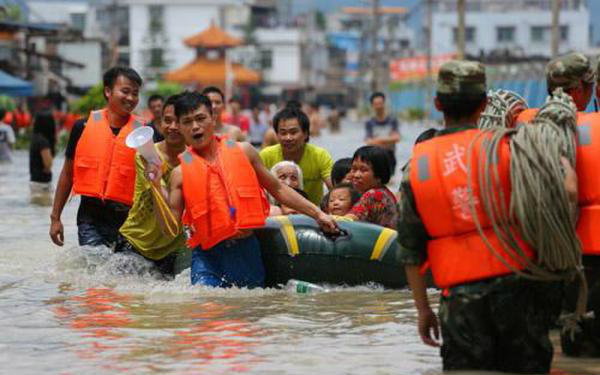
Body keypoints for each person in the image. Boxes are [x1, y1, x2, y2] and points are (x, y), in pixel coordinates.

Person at [397, 60, 571, 373]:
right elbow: (565, 194)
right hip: (521, 291)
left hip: (461, 306)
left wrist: (423, 310)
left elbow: (410, 251)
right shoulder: (514, 148)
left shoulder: (418, 169)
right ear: (484, 103)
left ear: (438, 104)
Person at [144, 92, 338, 288]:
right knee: (206, 310)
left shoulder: (244, 151)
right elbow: (170, 230)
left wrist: (318, 214)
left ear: (213, 117)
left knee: (246, 312)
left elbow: (278, 188)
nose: (195, 126)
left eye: (201, 118)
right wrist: (155, 187)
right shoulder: (179, 173)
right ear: (180, 127)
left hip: (247, 251)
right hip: (208, 258)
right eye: (187, 122)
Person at [49, 66, 144, 248]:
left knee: (126, 273)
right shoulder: (82, 127)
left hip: (130, 219)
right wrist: (55, 218)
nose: (131, 98)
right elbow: (67, 174)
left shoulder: (144, 133)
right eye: (125, 91)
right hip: (91, 217)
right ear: (108, 91)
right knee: (95, 269)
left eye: (135, 93)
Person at [118, 94, 187, 276]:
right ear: (159, 122)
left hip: (172, 247)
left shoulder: (193, 160)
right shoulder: (146, 154)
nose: (172, 127)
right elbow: (166, 202)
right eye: (167, 121)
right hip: (136, 241)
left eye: (179, 121)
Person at [260, 107, 333, 205]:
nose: (288, 138)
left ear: (306, 134)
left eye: (293, 132)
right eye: (283, 133)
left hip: (313, 216)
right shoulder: (265, 155)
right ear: (277, 135)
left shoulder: (320, 156)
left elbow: (334, 190)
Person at [516, 52, 595, 124]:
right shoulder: (589, 125)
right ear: (579, 91)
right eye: (591, 85)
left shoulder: (524, 120)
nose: (592, 91)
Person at [345, 145, 398, 229]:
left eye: (363, 170)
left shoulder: (374, 195)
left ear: (379, 176)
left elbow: (346, 222)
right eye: (354, 169)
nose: (356, 175)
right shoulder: (385, 192)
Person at [29, 111, 56, 196]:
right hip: (43, 184)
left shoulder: (35, 138)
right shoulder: (43, 142)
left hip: (35, 181)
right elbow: (48, 164)